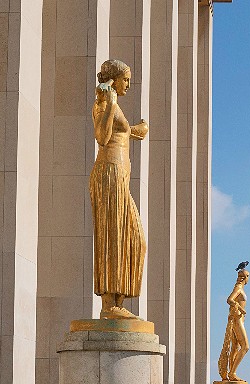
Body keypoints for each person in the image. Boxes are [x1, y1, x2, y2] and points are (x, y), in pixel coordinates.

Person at [91, 59, 149, 319]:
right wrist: (111, 102)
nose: (129, 83)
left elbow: (121, 133)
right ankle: (109, 305)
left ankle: (118, 300)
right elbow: (102, 137)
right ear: (113, 80)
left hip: (119, 178)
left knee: (134, 240)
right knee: (113, 237)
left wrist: (139, 129)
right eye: (126, 79)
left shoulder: (113, 106)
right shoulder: (103, 103)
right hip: (109, 174)